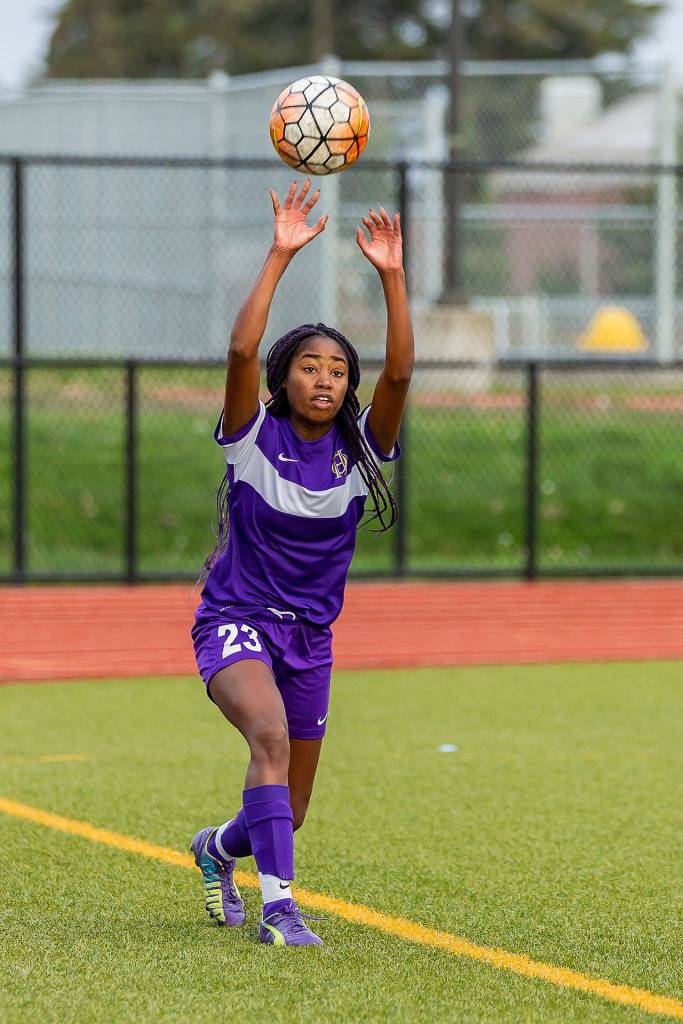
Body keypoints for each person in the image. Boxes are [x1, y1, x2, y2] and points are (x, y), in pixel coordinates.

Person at [190, 178, 414, 946]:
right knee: (270, 742)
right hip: (235, 623)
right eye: (311, 366)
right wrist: (280, 252)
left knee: (289, 805)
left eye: (338, 370)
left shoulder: (358, 455)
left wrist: (390, 275)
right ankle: (280, 910)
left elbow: (401, 376)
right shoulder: (250, 437)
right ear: (286, 377)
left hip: (310, 640)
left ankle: (217, 850)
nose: (325, 378)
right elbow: (240, 348)